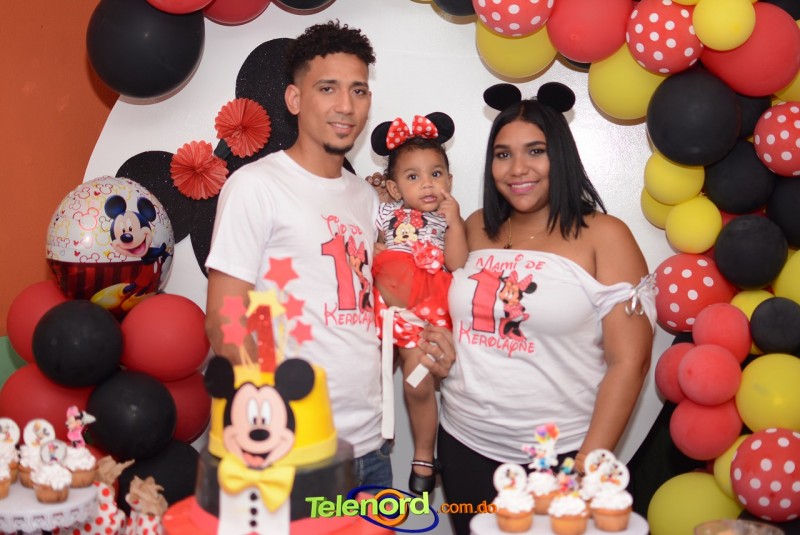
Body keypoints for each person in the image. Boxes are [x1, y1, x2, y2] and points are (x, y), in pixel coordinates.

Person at [432, 83, 657, 534]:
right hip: (463, 443)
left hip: (559, 457)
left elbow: (629, 361)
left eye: (535, 151)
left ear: (561, 155)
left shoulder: (605, 235)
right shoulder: (474, 226)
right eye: (503, 154)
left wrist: (586, 466)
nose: (518, 168)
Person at [205, 20, 394, 488]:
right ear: (294, 98)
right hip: (293, 451)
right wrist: (269, 423)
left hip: (371, 447)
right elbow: (225, 321)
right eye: (327, 88)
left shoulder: (365, 199)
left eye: (358, 90)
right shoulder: (255, 186)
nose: (346, 106)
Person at [369, 113, 468, 495]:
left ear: (449, 181)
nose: (427, 184)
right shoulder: (384, 210)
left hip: (422, 314)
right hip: (381, 311)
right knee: (366, 374)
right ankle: (363, 441)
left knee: (417, 380)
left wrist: (455, 223)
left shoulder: (447, 219)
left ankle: (424, 454)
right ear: (395, 188)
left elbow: (456, 263)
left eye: (436, 174)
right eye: (413, 177)